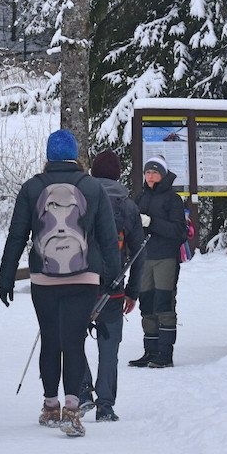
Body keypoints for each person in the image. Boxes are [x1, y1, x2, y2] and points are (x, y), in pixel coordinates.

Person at [0, 129, 121, 438]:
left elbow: (17, 235)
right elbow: (107, 237)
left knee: (51, 340)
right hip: (85, 277)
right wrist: (113, 278)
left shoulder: (31, 187)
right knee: (75, 342)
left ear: (49, 156)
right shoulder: (92, 187)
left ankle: (50, 406)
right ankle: (72, 410)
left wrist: (6, 275)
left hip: (43, 277)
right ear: (75, 155)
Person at [77, 150, 144, 422]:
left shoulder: (80, 199)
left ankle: (82, 393)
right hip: (114, 287)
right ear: (118, 175)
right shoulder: (128, 207)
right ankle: (106, 405)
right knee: (109, 348)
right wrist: (133, 292)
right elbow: (139, 252)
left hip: (80, 282)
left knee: (74, 341)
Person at [130, 156, 187, 368]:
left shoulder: (173, 199)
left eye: (154, 172)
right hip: (144, 258)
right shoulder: (140, 197)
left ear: (162, 174)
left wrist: (152, 222)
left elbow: (179, 232)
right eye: (147, 172)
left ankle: (165, 354)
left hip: (166, 257)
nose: (150, 176)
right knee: (147, 305)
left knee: (164, 304)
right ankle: (150, 352)